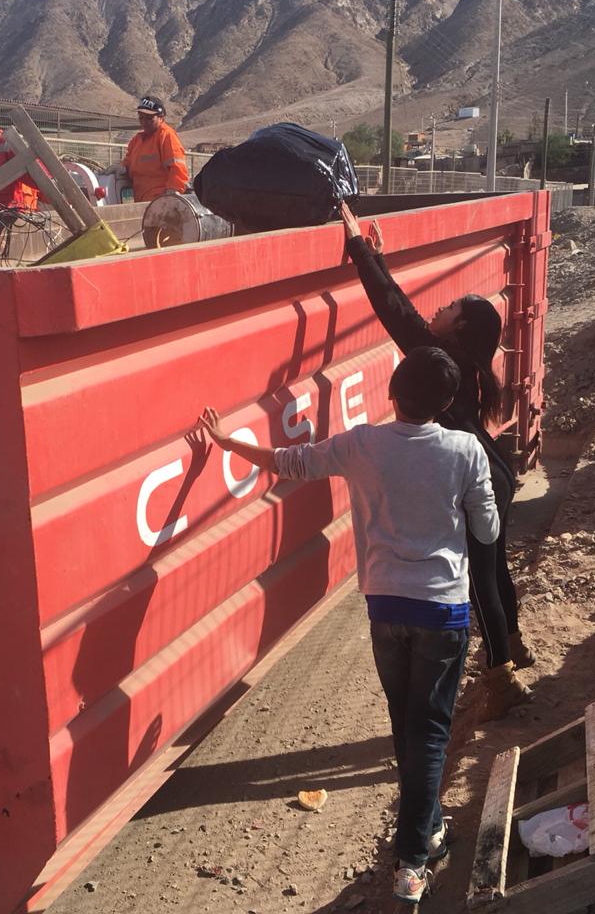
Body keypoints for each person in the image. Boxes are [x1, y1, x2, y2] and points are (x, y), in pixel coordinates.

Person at [199, 346, 498, 904]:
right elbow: (486, 532)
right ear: (447, 403)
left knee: (406, 724)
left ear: (392, 391)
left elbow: (288, 461)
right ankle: (412, 863)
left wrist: (226, 442)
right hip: (441, 612)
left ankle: (429, 826)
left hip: (385, 608)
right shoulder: (465, 451)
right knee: (430, 732)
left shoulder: (361, 444)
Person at [339, 202, 536, 722]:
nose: (439, 308)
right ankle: (513, 643)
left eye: (449, 307)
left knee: (480, 582)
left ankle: (501, 680)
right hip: (494, 470)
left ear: (459, 325)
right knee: (495, 569)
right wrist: (377, 258)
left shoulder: (439, 359)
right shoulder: (464, 363)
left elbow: (394, 311)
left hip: (480, 478)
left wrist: (358, 247)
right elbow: (404, 307)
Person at [118, 95, 188, 246]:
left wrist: (171, 196)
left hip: (160, 206)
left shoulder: (166, 136)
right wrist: (120, 167)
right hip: (142, 206)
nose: (144, 122)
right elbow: (129, 161)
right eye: (141, 118)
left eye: (149, 118)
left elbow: (177, 167)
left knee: (160, 245)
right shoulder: (137, 140)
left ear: (161, 117)